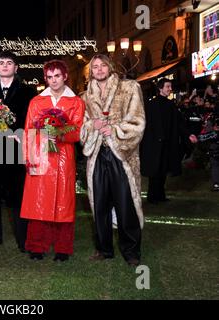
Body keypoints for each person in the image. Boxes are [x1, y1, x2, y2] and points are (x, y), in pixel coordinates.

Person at [80, 54, 145, 267]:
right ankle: (104, 248)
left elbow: (137, 121)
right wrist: (93, 127)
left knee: (126, 203)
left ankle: (131, 251)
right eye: (95, 67)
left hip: (121, 154)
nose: (98, 70)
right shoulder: (85, 96)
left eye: (102, 66)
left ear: (110, 67)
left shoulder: (130, 88)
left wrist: (114, 130)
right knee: (99, 204)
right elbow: (83, 126)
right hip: (97, 154)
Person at [20, 60, 85, 261]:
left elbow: (78, 130)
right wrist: (28, 158)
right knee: (38, 202)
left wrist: (60, 133)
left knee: (63, 203)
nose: (53, 80)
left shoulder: (76, 102)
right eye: (49, 77)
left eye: (57, 76)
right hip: (40, 156)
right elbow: (29, 131)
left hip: (64, 157)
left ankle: (62, 248)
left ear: (65, 76)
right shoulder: (36, 102)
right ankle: (37, 246)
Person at [0, 50, 37, 252]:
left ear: (16, 67)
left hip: (15, 148)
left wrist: (18, 133)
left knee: (18, 195)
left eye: (9, 62)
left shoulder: (28, 92)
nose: (4, 65)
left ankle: (24, 238)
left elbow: (33, 120)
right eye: (1, 62)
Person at [140, 78, 197, 204]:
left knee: (163, 170)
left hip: (167, 144)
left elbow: (179, 122)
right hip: (154, 144)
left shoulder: (171, 104)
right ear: (160, 88)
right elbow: (145, 125)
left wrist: (188, 135)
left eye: (170, 87)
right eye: (168, 86)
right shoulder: (151, 104)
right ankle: (152, 197)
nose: (170, 89)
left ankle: (160, 196)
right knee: (154, 171)